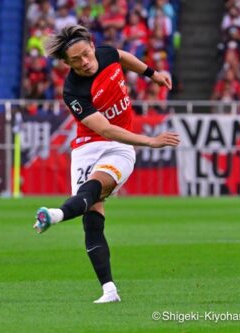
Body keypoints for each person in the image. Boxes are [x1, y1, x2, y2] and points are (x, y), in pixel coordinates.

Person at [33, 25, 179, 304]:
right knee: (91, 215)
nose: (85, 62)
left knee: (95, 188)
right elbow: (106, 129)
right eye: (76, 60)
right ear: (67, 63)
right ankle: (109, 290)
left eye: (86, 54)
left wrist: (152, 74)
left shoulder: (107, 54)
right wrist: (149, 141)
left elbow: (123, 56)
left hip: (120, 147)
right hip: (89, 146)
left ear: (91, 45)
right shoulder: (73, 90)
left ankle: (54, 215)